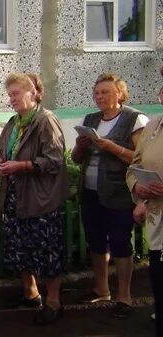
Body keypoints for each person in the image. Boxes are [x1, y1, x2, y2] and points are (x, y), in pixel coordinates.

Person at [71, 73, 148, 319]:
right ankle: (101, 289)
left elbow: (140, 158)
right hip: (91, 191)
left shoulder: (134, 119)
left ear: (120, 94)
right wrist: (82, 145)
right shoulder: (91, 119)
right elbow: (75, 158)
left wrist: (112, 147)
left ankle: (124, 296)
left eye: (105, 92)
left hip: (119, 193)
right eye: (97, 93)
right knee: (96, 241)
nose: (99, 97)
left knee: (120, 243)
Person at [0, 73, 68, 325]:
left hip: (41, 199)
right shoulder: (14, 122)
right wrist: (1, 162)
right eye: (10, 94)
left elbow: (55, 160)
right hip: (16, 196)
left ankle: (54, 302)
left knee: (47, 250)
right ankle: (31, 294)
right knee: (20, 247)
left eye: (16, 93)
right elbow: (3, 150)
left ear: (34, 93)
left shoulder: (46, 121)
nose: (11, 99)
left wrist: (22, 165)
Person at [127, 87, 163, 336]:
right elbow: (134, 167)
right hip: (157, 221)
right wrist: (139, 189)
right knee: (159, 280)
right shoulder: (153, 125)